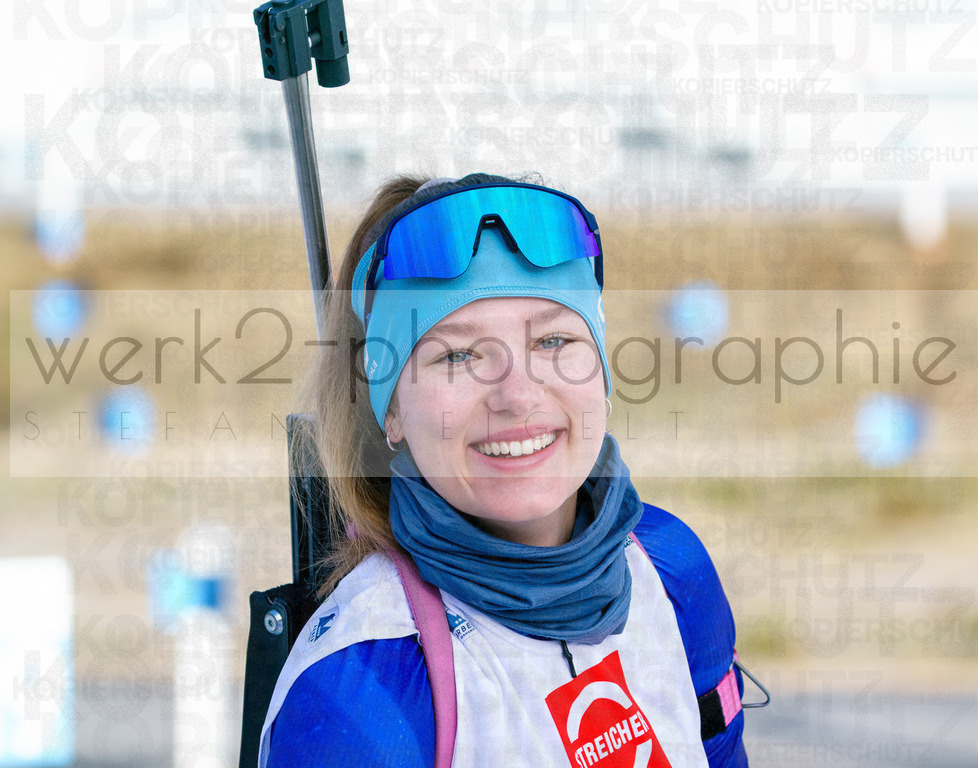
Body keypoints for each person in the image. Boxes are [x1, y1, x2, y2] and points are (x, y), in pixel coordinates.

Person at [259, 173, 748, 767]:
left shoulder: (672, 572)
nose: (517, 395)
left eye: (553, 342)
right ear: (392, 413)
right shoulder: (362, 692)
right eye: (458, 355)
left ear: (602, 372)